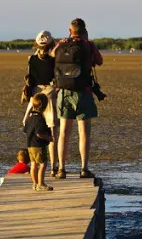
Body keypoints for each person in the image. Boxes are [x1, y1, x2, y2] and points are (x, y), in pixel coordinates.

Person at [51, 18, 103, 179]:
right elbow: (99, 61)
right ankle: (83, 168)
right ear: (84, 30)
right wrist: (88, 43)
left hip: (64, 92)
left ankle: (61, 169)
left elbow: (52, 55)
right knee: (84, 133)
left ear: (70, 30)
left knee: (64, 133)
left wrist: (61, 43)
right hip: (83, 92)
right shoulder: (88, 45)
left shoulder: (62, 44)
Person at [21, 30, 59, 176]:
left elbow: (30, 79)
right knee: (51, 131)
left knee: (32, 127)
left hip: (36, 95)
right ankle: (53, 167)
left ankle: (36, 165)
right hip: (50, 93)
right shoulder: (54, 59)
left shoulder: (31, 59)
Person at [23, 94, 54, 191]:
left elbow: (25, 130)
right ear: (44, 106)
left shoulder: (30, 118)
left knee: (33, 165)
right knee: (43, 164)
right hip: (38, 145)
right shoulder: (39, 119)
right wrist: (48, 137)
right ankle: (41, 183)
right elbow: (39, 133)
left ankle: (35, 184)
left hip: (30, 145)